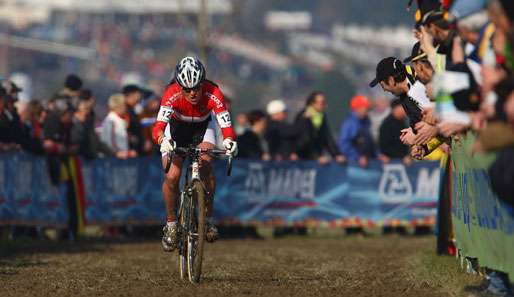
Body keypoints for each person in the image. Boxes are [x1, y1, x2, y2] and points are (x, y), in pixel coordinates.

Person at [152, 56, 237, 252]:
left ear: (203, 83)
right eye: (187, 89)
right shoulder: (170, 93)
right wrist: (162, 141)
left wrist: (229, 140)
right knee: (172, 176)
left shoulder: (213, 91)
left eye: (196, 88)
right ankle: (172, 224)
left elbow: (225, 123)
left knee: (206, 164)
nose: (192, 93)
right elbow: (158, 127)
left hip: (203, 127)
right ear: (179, 86)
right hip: (176, 129)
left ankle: (206, 219)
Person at [294, 91, 346, 165]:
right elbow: (305, 140)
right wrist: (316, 157)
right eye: (322, 103)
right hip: (303, 158)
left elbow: (327, 138)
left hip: (317, 158)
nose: (325, 105)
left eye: (325, 103)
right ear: (312, 103)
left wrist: (337, 154)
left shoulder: (321, 116)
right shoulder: (304, 117)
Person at [338, 95, 376, 167]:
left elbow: (369, 143)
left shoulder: (366, 121)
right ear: (357, 108)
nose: (368, 111)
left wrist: (377, 155)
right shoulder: (349, 124)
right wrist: (358, 157)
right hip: (353, 165)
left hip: (369, 162)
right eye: (366, 109)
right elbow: (344, 144)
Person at [100, 94, 137, 159]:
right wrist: (117, 153)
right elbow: (109, 142)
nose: (126, 107)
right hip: (113, 159)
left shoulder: (120, 120)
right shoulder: (111, 120)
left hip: (122, 158)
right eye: (124, 105)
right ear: (118, 106)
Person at [378, 99, 411, 165]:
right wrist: (402, 156)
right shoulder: (386, 124)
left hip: (404, 160)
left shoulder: (405, 122)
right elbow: (385, 146)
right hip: (391, 161)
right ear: (396, 108)